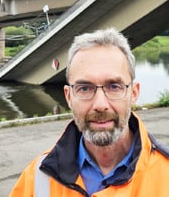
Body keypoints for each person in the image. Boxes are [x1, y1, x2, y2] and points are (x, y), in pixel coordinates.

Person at [9, 28, 169, 197]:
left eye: (114, 86)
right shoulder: (37, 180)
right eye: (84, 88)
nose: (100, 105)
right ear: (69, 96)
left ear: (134, 93)